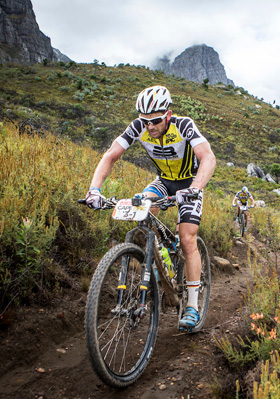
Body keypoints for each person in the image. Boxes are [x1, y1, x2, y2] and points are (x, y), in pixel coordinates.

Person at [85, 85, 216, 331]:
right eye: (144, 121)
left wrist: (195, 188)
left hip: (190, 183)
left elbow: (208, 157)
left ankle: (192, 307)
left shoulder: (184, 125)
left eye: (155, 121)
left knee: (187, 239)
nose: (150, 127)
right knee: (142, 209)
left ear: (168, 115)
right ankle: (156, 264)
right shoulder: (138, 127)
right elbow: (111, 155)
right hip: (163, 181)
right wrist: (94, 189)